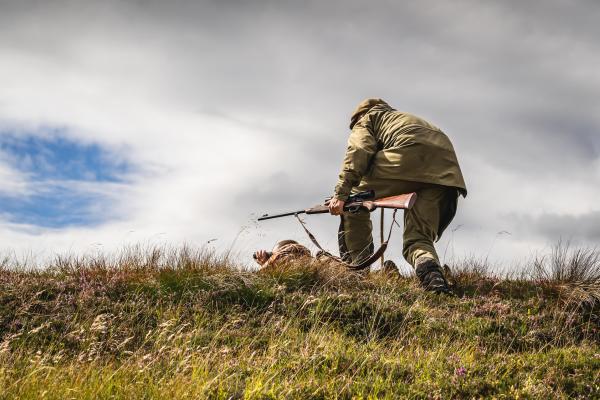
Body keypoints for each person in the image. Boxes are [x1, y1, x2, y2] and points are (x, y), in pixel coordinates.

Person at [328, 98, 467, 294]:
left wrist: (340, 195)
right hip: (446, 171)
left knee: (354, 199)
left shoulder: (367, 118)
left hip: (408, 157)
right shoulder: (402, 119)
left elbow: (359, 150)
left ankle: (357, 270)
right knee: (418, 238)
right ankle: (433, 279)